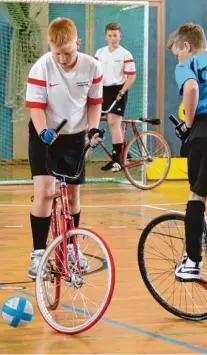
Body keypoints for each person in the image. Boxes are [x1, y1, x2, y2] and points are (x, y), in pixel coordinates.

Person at [25, 17, 103, 279]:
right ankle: (38, 254)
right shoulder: (41, 67)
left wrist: (93, 129)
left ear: (77, 43)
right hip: (45, 136)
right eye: (56, 52)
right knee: (45, 193)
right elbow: (36, 107)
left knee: (72, 197)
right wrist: (42, 131)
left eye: (67, 52)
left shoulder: (92, 66)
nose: (61, 59)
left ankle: (71, 248)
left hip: (74, 136)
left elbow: (94, 103)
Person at [167, 23, 207, 281]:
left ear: (187, 46)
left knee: (198, 196)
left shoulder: (187, 65)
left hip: (205, 131)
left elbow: (192, 88)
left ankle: (193, 261)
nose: (178, 59)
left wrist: (190, 123)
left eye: (177, 53)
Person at [94, 22, 136, 172]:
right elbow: (95, 73)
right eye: (110, 35)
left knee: (113, 123)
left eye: (116, 35)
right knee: (91, 119)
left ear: (120, 36)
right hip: (102, 90)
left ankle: (117, 160)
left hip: (118, 90)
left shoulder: (125, 54)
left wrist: (122, 92)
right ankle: (123, 150)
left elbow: (131, 76)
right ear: (106, 37)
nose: (113, 38)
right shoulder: (99, 53)